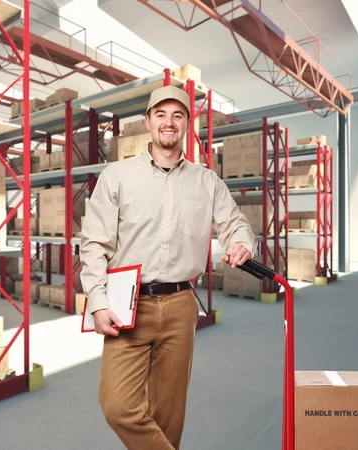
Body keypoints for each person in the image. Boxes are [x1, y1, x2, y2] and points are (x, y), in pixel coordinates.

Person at [79, 85, 256, 450]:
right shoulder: (117, 176)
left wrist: (241, 241)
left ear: (188, 124)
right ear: (148, 122)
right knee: (117, 407)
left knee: (169, 413)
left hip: (180, 305)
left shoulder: (207, 181)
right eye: (160, 114)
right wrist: (97, 301)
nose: (168, 122)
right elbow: (94, 244)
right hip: (127, 304)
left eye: (177, 115)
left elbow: (234, 223)